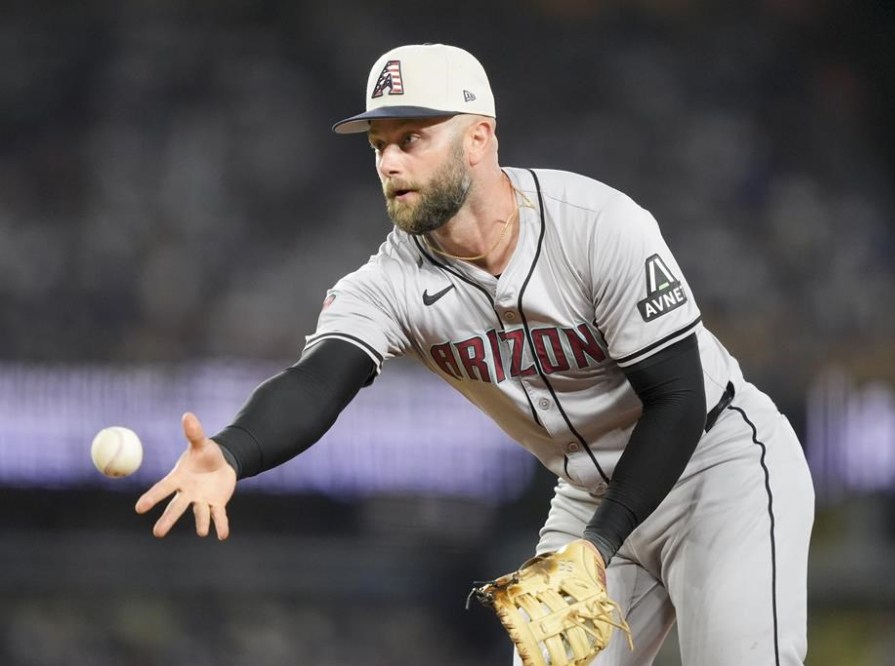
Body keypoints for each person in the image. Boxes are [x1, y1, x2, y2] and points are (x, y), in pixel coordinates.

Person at [136, 43, 815, 665]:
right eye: (378, 145)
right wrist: (232, 451)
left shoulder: (599, 227)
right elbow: (320, 379)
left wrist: (599, 542)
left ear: (478, 139)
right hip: (591, 491)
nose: (390, 162)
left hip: (716, 465)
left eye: (412, 139)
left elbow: (679, 398)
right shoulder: (391, 280)